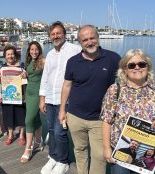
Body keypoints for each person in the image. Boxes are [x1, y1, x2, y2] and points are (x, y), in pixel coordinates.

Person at [59, 24, 121, 174]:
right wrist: (62, 110)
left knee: (99, 155)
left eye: (92, 38)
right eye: (85, 40)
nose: (89, 42)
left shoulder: (113, 58)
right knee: (79, 149)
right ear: (80, 42)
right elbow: (67, 86)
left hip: (100, 119)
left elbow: (126, 82)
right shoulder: (73, 62)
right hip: (75, 116)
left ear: (98, 38)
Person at [101, 48, 155, 174]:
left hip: (148, 151)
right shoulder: (115, 90)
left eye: (142, 64)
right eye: (132, 65)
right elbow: (107, 121)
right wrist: (107, 149)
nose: (137, 67)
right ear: (125, 69)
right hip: (120, 150)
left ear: (148, 66)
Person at [40, 21, 82, 174]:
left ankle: (63, 161)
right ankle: (53, 156)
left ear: (64, 34)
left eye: (58, 33)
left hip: (66, 100)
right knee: (51, 130)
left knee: (60, 132)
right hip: (50, 99)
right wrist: (42, 98)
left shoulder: (75, 50)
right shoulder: (50, 54)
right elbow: (45, 77)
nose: (55, 36)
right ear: (50, 37)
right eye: (53, 34)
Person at [20, 41, 45, 163]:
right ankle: (39, 142)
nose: (34, 52)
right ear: (29, 51)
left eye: (36, 49)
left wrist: (44, 98)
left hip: (37, 94)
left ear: (39, 50)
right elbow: (31, 76)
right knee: (35, 119)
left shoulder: (43, 61)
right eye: (32, 49)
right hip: (29, 93)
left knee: (28, 120)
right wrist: (25, 75)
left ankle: (28, 149)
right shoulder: (28, 62)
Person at [0, 45, 26, 146]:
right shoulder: (2, 68)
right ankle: (10, 135)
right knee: (8, 116)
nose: (10, 56)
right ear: (5, 56)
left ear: (15, 55)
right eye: (8, 54)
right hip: (7, 97)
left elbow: (25, 82)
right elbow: (0, 82)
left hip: (19, 97)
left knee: (21, 117)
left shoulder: (21, 66)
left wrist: (25, 76)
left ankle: (21, 136)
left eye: (12, 54)